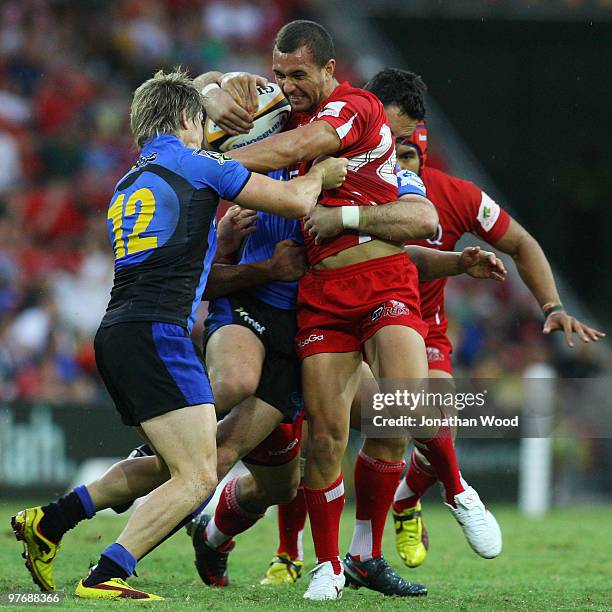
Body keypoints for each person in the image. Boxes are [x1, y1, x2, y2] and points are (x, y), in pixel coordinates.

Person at [10, 68, 348, 600]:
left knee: (174, 465)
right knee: (196, 477)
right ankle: (107, 574)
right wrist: (322, 173)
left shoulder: (129, 180)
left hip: (119, 331)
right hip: (159, 335)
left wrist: (220, 238)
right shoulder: (197, 163)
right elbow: (297, 202)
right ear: (191, 119)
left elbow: (179, 247)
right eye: (203, 120)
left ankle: (50, 523)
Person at [199, 21, 507, 601]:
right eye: (279, 74)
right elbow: (215, 85)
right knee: (325, 439)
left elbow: (417, 219)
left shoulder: (354, 107)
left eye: (298, 75)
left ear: (329, 71)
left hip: (383, 280)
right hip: (318, 295)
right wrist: (215, 93)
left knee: (406, 409)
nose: (286, 85)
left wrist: (210, 161)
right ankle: (331, 564)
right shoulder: (283, 113)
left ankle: (457, 490)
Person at [283, 67, 605, 573]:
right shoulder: (334, 154)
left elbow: (512, 242)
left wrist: (551, 306)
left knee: (418, 418)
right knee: (326, 433)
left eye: (409, 144)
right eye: (397, 139)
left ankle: (404, 511)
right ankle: (292, 547)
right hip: (337, 304)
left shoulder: (443, 192)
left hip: (415, 317)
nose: (398, 148)